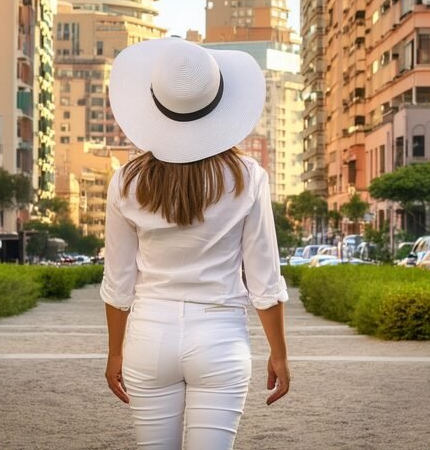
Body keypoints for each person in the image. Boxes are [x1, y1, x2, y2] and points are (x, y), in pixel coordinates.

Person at [101, 37, 291, 450]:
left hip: (149, 338)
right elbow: (264, 281)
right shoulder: (248, 177)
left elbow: (118, 284)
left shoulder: (127, 181)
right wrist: (280, 354)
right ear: (219, 104)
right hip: (221, 339)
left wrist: (114, 353)